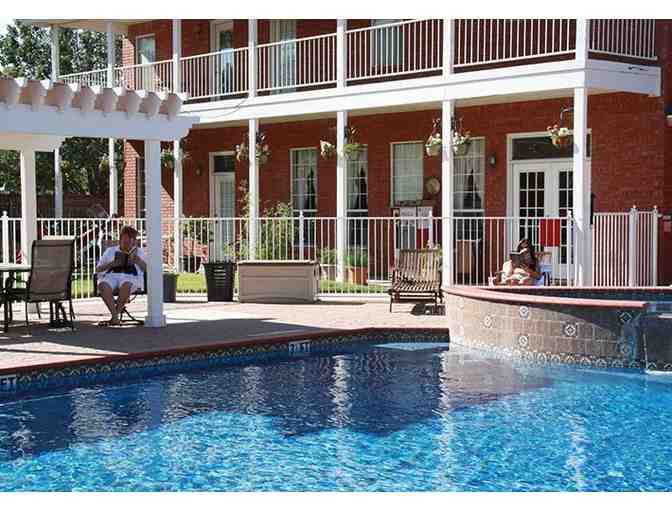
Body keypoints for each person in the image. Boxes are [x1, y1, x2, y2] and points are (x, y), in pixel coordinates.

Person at [95, 225, 146, 326]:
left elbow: (146, 269)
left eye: (131, 239)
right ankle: (115, 316)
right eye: (126, 239)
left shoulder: (139, 252)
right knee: (102, 285)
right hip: (112, 276)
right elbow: (98, 269)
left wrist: (138, 260)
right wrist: (111, 264)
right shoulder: (110, 251)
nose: (128, 242)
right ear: (120, 239)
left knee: (126, 285)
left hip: (131, 277)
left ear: (134, 241)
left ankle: (115, 316)